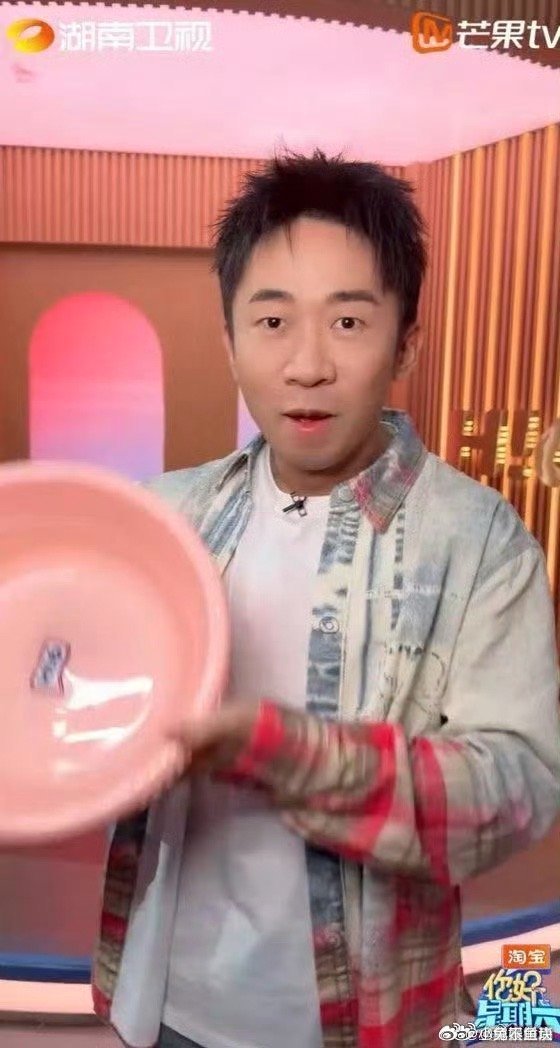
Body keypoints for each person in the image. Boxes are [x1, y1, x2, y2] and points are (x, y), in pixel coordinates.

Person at [91, 150, 560, 1048]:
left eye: (348, 321)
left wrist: (291, 755)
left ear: (405, 342)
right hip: (163, 1000)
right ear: (230, 340)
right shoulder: (164, 518)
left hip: (359, 1018)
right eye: (272, 321)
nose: (307, 365)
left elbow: (518, 789)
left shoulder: (478, 541)